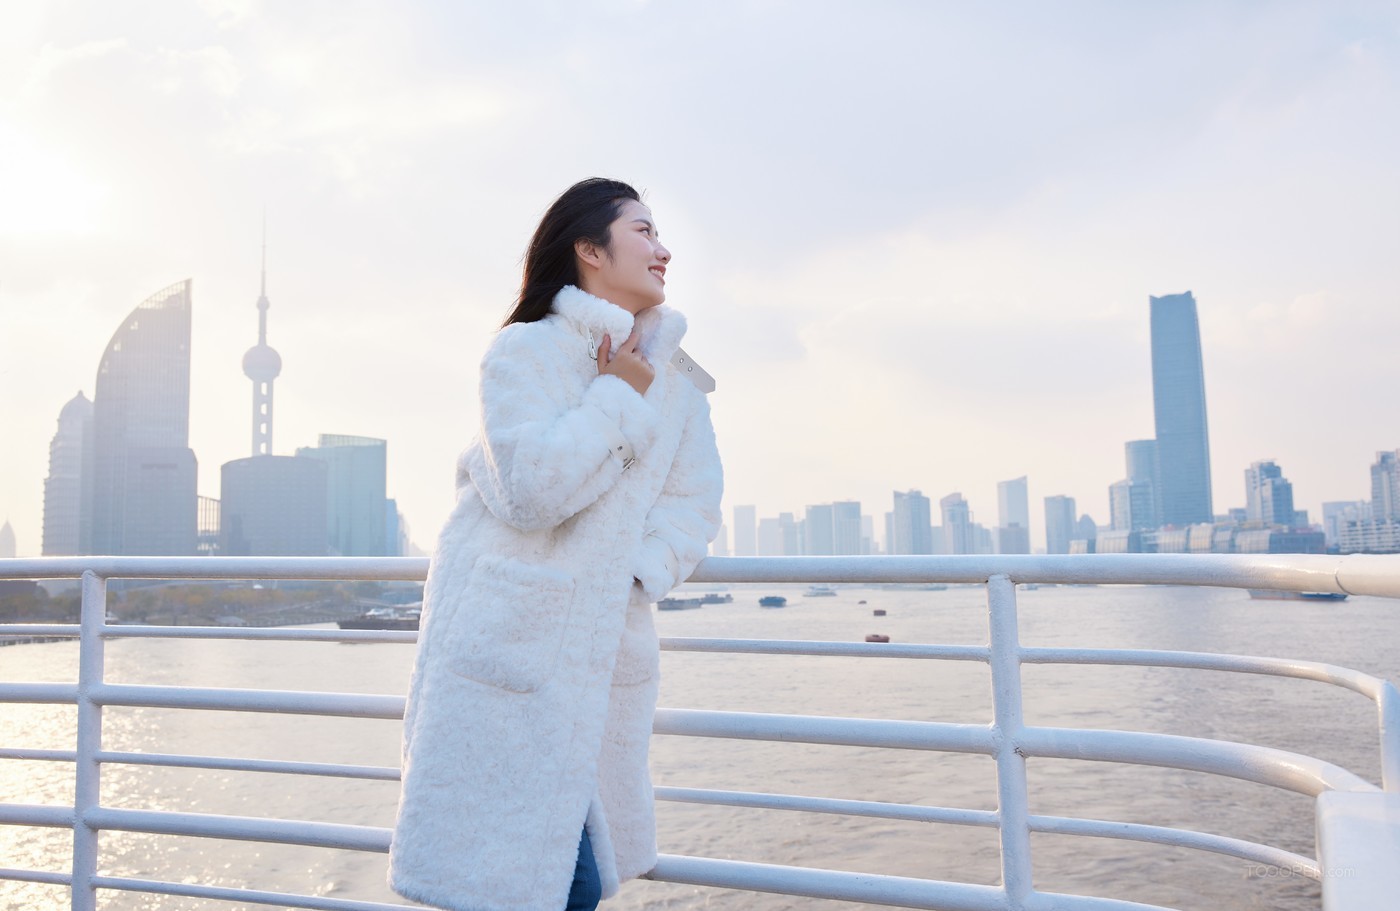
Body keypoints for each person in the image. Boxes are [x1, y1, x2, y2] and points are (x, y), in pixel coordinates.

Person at [389, 178, 724, 911]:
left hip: (602, 651)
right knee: (524, 876)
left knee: (579, 874)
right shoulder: (524, 351)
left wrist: (635, 574)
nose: (664, 249)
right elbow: (531, 489)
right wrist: (618, 393)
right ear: (588, 248)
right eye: (643, 231)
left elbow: (694, 503)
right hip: (511, 643)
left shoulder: (678, 386)